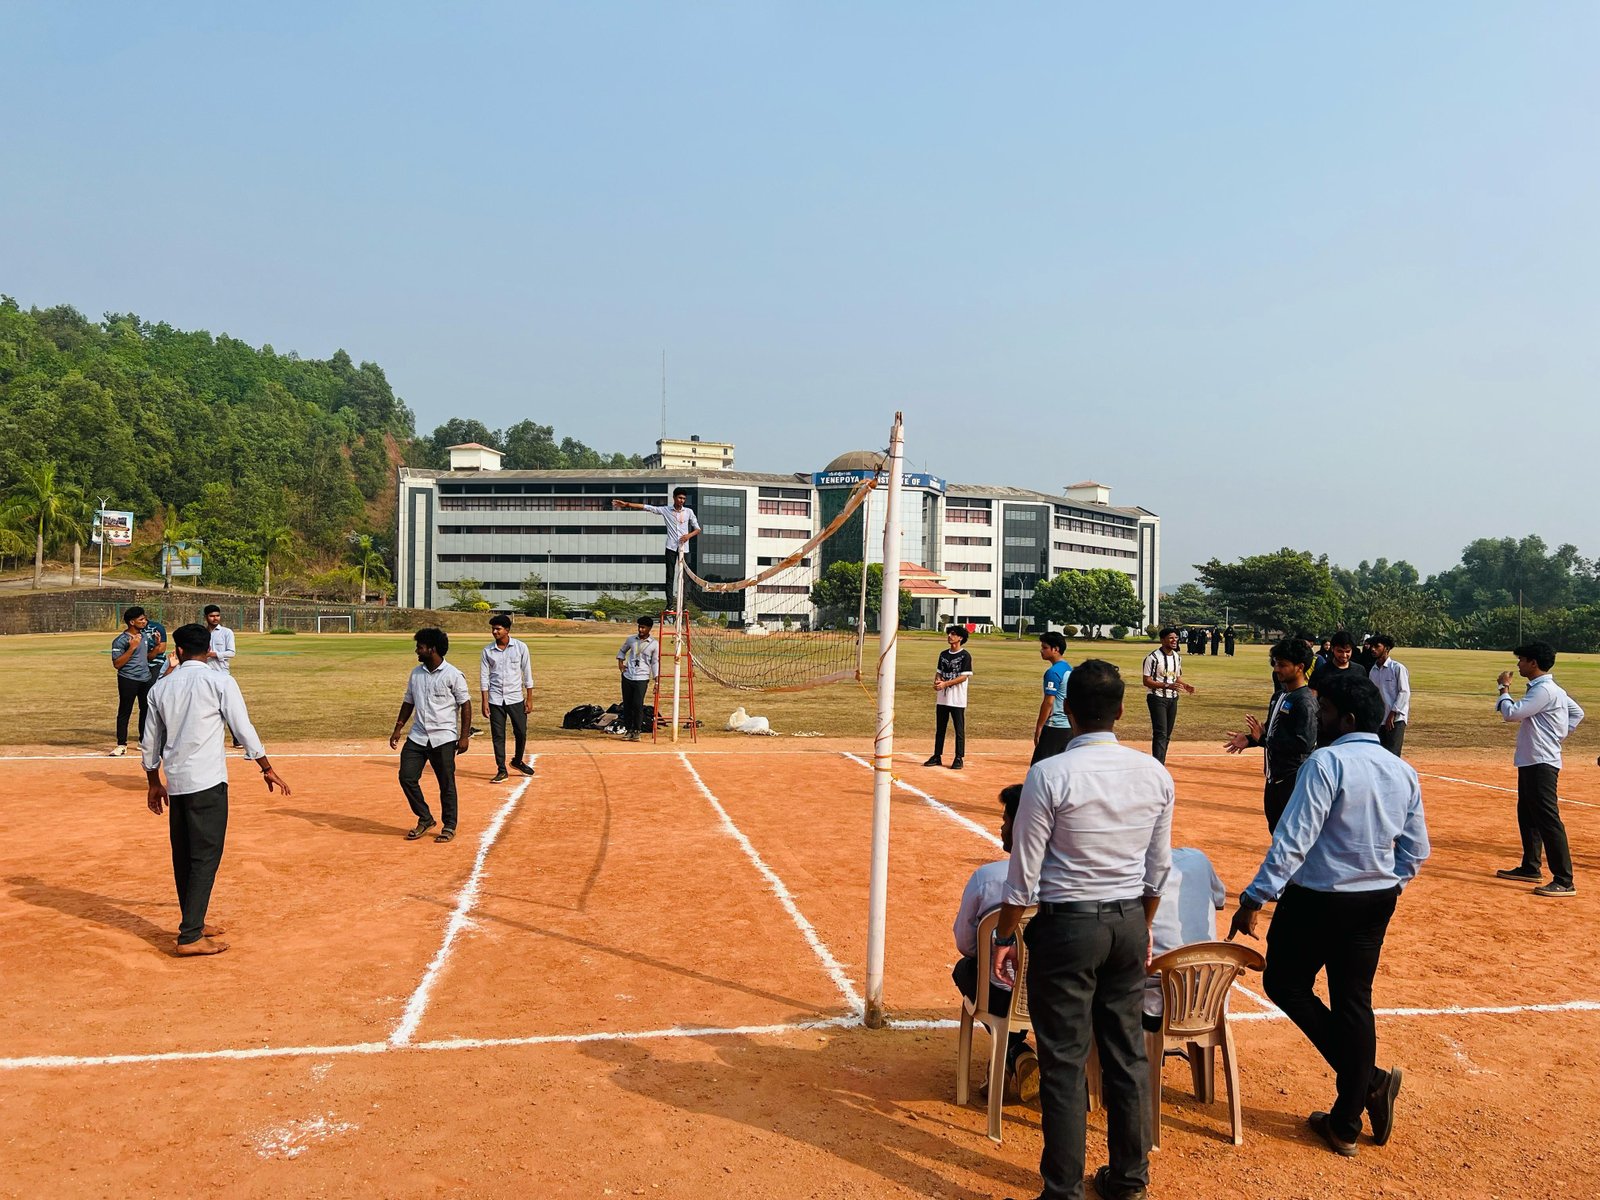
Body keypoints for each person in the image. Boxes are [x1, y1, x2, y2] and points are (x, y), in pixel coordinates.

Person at [1226, 675, 1430, 1158]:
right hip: (1374, 899)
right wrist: (1386, 885)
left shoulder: (1326, 762)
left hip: (1319, 898)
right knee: (1353, 1000)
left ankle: (1365, 1088)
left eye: (1328, 711)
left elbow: (1294, 839)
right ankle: (1348, 1117)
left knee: (1285, 984)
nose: (1321, 719)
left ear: (1349, 719)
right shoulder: (1401, 769)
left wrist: (1255, 897)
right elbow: (1416, 850)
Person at [995, 660, 1172, 1200]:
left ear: (1068, 710)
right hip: (1125, 920)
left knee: (1064, 1061)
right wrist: (1139, 928)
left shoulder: (1049, 775)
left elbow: (1023, 874)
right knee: (1126, 1055)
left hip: (1069, 925)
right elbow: (1157, 868)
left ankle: (1063, 1188)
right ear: (1121, 711)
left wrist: (1005, 936)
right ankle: (1128, 1178)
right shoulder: (1153, 773)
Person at [142, 623, 291, 956]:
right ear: (209, 649)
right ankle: (190, 936)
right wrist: (266, 768)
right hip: (208, 782)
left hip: (177, 784)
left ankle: (194, 920)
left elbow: (149, 741)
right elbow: (243, 727)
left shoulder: (160, 688)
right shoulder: (220, 680)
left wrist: (154, 782)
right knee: (205, 856)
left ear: (177, 651)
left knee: (184, 855)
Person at [951, 783, 1038, 1099]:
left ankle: (1013, 1049)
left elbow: (966, 944)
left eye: (1006, 818)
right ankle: (1016, 1052)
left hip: (1003, 997)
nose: (1001, 826)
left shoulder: (986, 878)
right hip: (1059, 994)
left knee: (965, 969)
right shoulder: (1069, 881)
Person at [1493, 641, 1585, 897]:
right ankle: (1530, 866)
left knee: (1547, 818)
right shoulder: (1550, 689)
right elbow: (1577, 713)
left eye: (1522, 660)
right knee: (1528, 814)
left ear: (1534, 663)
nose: (1519, 664)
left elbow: (1511, 714)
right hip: (1533, 759)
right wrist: (1559, 732)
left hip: (1541, 761)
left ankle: (1564, 880)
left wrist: (1503, 688)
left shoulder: (1544, 690)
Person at [1224, 637, 1319, 833]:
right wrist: (1250, 740)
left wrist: (1263, 740)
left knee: (1291, 838)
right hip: (1273, 779)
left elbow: (1304, 745)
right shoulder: (1280, 696)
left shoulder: (1305, 702)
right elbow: (1272, 731)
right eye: (1275, 663)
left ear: (1300, 667)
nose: (1276, 669)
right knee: (1276, 834)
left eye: (1283, 665)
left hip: (1293, 781)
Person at [390, 628, 472, 843]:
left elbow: (465, 705)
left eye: (420, 647)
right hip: (417, 737)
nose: (417, 650)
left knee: (446, 783)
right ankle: (425, 818)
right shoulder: (416, 673)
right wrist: (398, 728)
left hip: (444, 737)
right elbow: (409, 701)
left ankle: (449, 825)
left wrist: (464, 737)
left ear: (432, 649)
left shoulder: (453, 674)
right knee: (406, 777)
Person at [1144, 847, 1227, 1031]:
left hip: (1158, 1008)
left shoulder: (1131, 874)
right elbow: (1220, 901)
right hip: (1212, 1001)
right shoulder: (1198, 858)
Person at [612, 488, 700, 602]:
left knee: (685, 577)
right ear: (674, 498)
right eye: (679, 498)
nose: (681, 500)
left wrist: (688, 535)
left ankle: (684, 604)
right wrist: (627, 504)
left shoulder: (689, 512)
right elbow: (647, 507)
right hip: (671, 547)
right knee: (670, 576)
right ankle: (669, 603)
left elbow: (697, 529)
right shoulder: (666, 510)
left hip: (684, 549)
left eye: (683, 498)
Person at [480, 613, 535, 783]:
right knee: (498, 735)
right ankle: (501, 769)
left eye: (498, 629)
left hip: (515, 698)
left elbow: (527, 673)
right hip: (495, 700)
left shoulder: (520, 647)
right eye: (493, 629)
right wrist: (484, 701)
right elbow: (484, 677)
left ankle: (517, 761)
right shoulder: (487, 651)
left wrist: (529, 698)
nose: (495, 632)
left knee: (521, 731)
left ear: (507, 630)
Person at [1141, 628, 1194, 765]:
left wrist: (1185, 685)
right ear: (1162, 639)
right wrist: (1166, 686)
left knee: (1167, 735)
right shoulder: (1152, 658)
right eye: (1171, 638)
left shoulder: (1177, 657)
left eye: (1176, 638)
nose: (1174, 640)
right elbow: (1146, 681)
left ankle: (1160, 761)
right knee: (1160, 733)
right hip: (1156, 698)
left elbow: (1176, 678)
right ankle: (1158, 765)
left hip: (1173, 698)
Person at [926, 625, 974, 769]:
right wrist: (937, 681)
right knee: (940, 728)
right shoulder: (943, 654)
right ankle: (937, 755)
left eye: (953, 634)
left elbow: (964, 677)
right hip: (942, 698)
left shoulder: (965, 655)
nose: (949, 636)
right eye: (949, 633)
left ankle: (959, 757)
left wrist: (946, 684)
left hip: (957, 699)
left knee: (959, 729)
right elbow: (939, 671)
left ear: (960, 638)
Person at [110, 606, 156, 756]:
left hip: (145, 679)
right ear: (132, 622)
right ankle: (121, 744)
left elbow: (147, 657)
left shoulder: (144, 636)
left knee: (146, 710)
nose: (145, 621)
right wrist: (131, 648)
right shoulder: (121, 640)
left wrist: (155, 645)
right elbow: (117, 664)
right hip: (128, 679)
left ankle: (143, 741)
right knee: (125, 711)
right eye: (141, 619)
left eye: (144, 618)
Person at [1031, 631, 1073, 764]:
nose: (1041, 651)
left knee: (1039, 766)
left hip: (1055, 726)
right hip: (1068, 727)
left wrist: (1039, 727)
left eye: (1044, 647)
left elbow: (1049, 702)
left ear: (1056, 649)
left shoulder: (1053, 672)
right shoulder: (1068, 668)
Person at [203, 604, 242, 747]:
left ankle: (237, 738)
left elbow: (231, 652)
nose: (215, 618)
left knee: (227, 706)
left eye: (217, 616)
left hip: (222, 673)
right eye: (212, 616)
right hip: (204, 673)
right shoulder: (202, 632)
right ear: (206, 617)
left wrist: (214, 654)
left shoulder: (226, 632)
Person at [616, 616, 660, 741]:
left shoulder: (654, 644)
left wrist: (656, 680)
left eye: (643, 627)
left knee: (637, 704)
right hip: (628, 676)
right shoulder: (631, 639)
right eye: (639, 627)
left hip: (642, 677)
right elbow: (622, 651)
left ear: (649, 628)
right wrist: (620, 663)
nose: (640, 630)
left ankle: (637, 730)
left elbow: (655, 662)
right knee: (627, 704)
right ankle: (628, 729)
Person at [1367, 635, 1411, 757]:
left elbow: (1404, 692)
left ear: (1386, 648)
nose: (1373, 649)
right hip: (1380, 719)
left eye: (1377, 646)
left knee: (1393, 754)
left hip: (1395, 719)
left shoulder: (1397, 668)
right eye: (1372, 646)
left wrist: (1393, 713)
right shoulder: (1373, 671)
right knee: (1379, 754)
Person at [1310, 631, 1367, 695]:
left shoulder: (1359, 670)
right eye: (1340, 651)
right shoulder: (1320, 672)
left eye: (1347, 651)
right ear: (1332, 649)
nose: (1344, 655)